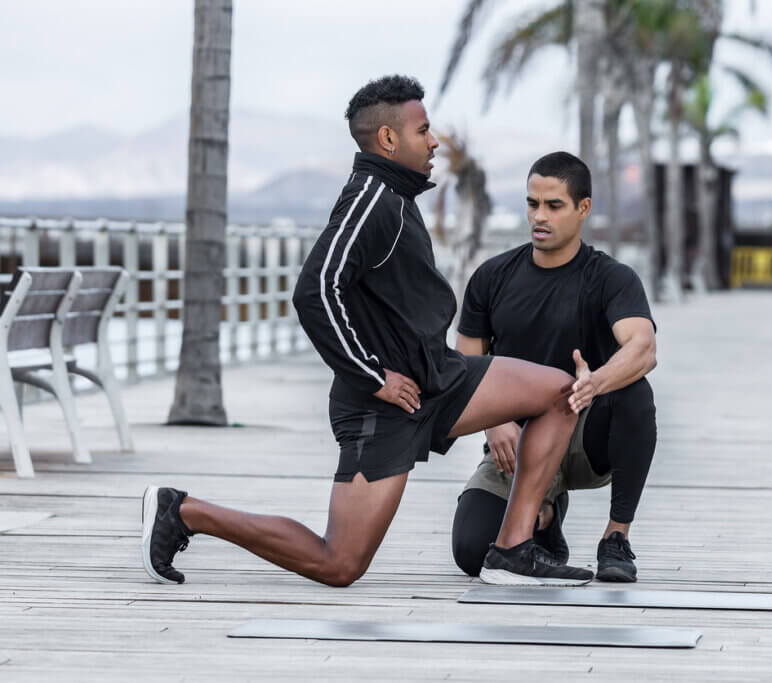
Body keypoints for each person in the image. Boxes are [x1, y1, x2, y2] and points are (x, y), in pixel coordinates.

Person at [141, 75, 594, 588]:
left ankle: (511, 550)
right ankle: (185, 511)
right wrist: (373, 376)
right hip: (383, 405)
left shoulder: (396, 197)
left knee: (560, 391)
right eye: (423, 131)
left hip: (436, 378)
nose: (434, 142)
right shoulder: (371, 200)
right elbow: (315, 290)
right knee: (339, 563)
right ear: (388, 139)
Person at [451, 152, 658, 582]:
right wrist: (494, 424)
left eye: (554, 205)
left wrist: (595, 383)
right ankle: (543, 517)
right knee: (472, 551)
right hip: (514, 447)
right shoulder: (491, 277)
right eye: (532, 204)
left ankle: (615, 537)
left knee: (635, 393)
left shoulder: (611, 278)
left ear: (583, 208)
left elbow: (643, 348)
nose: (539, 216)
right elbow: (464, 367)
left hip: (583, 437)